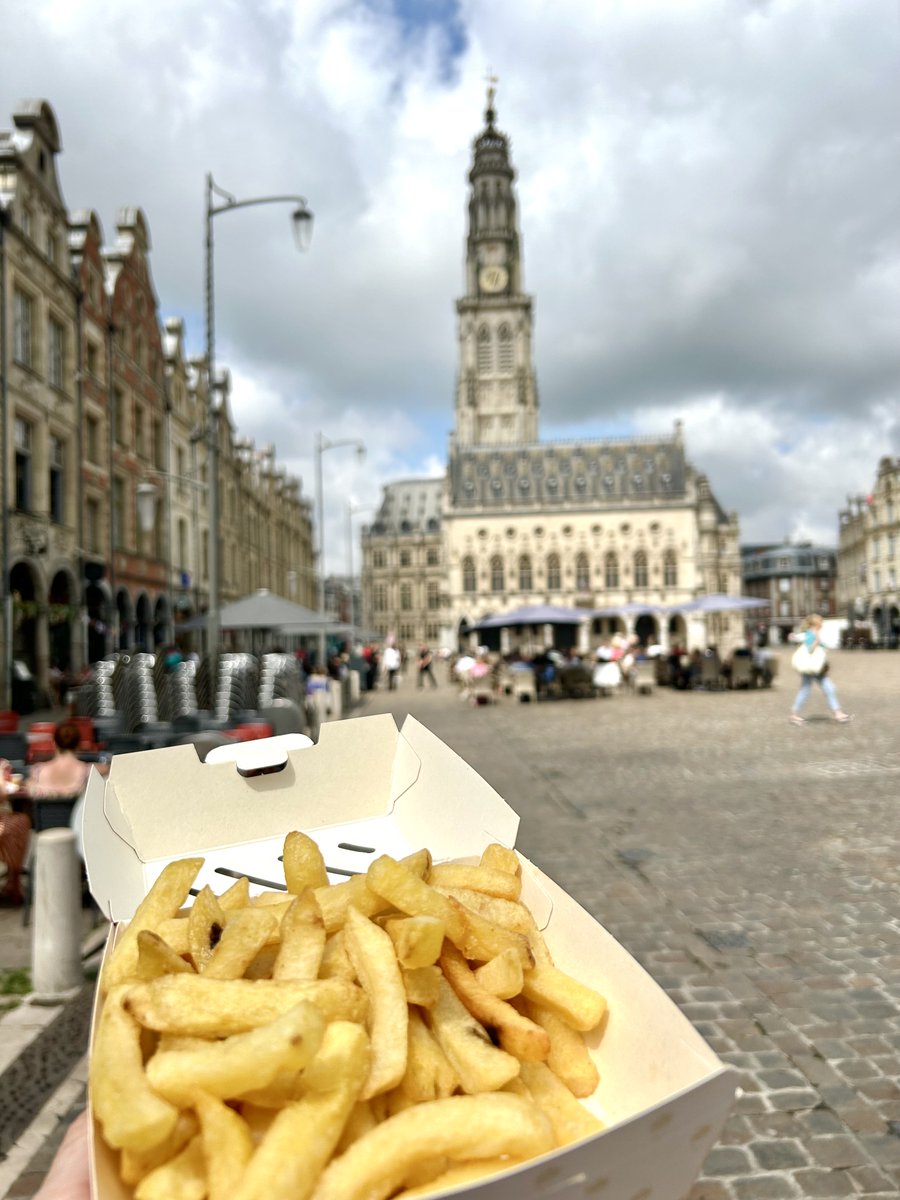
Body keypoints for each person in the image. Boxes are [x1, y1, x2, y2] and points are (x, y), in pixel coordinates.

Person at [789, 614, 852, 725]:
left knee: (826, 688)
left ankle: (838, 713)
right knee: (810, 689)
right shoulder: (810, 633)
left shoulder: (812, 633)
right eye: (821, 621)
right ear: (816, 624)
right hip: (811, 667)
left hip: (816, 668)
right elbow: (810, 649)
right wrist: (817, 640)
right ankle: (794, 715)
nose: (822, 623)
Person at [26, 720, 92, 799]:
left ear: (54, 743)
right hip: (77, 811)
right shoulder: (88, 773)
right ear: (78, 744)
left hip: (45, 811)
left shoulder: (37, 772)